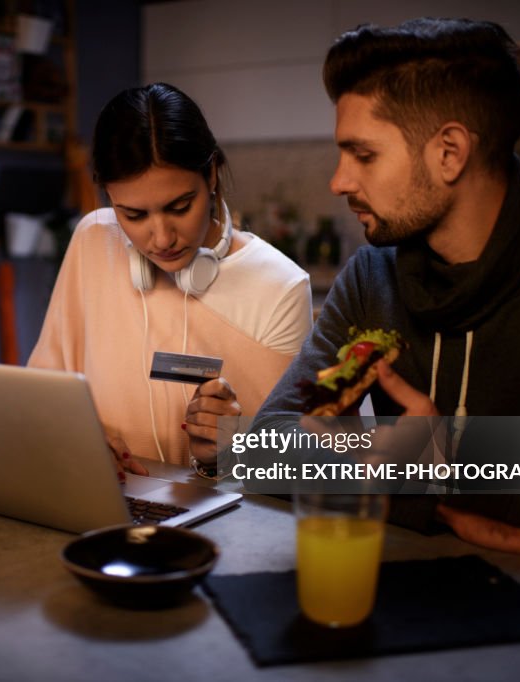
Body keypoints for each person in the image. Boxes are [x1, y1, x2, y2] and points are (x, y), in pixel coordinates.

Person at [253, 18, 520, 564]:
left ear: (450, 152)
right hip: (401, 591)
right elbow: (264, 449)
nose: (338, 181)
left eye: (363, 155)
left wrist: (437, 465)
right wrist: (427, 487)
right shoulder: (370, 276)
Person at [29, 82, 312, 473]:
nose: (161, 239)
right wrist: (76, 437)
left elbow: (290, 467)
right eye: (133, 215)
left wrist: (220, 454)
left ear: (211, 175)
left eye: (180, 207)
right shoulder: (93, 240)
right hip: (102, 500)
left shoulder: (281, 286)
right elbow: (44, 393)